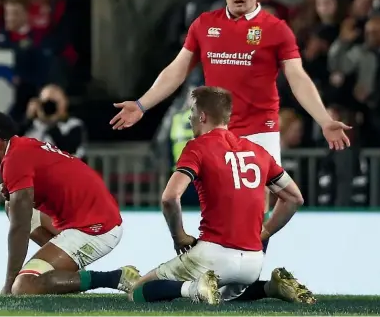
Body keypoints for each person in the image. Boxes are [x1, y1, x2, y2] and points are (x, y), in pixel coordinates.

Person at [111, 0, 350, 302]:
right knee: (218, 208)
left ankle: (238, 284)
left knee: (256, 211)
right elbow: (177, 70)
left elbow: (297, 77)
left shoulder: (275, 29)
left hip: (259, 132)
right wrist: (142, 104)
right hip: (217, 130)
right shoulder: (204, 25)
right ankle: (241, 283)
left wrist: (324, 119)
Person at [130, 86, 310, 304]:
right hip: (253, 262)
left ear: (203, 116)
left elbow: (169, 197)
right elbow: (294, 198)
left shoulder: (198, 147)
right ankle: (271, 287)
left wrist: (179, 237)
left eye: (193, 113)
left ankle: (193, 288)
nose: (190, 119)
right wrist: (264, 232)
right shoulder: (257, 150)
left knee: (140, 290)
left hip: (213, 254)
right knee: (223, 297)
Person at [0, 111, 139, 296]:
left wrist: (9, 285)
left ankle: (114, 277)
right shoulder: (21, 147)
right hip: (90, 217)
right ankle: (69, 277)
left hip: (96, 229)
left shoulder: (14, 161)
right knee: (12, 206)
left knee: (24, 286)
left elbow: (20, 227)